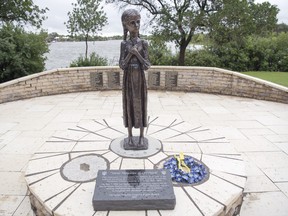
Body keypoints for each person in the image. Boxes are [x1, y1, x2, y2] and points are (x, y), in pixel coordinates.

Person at [119, 9, 151, 147]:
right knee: (129, 104)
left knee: (141, 104)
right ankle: (130, 136)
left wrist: (137, 54)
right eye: (132, 23)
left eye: (138, 21)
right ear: (126, 26)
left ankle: (142, 136)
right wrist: (129, 54)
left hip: (140, 79)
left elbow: (147, 65)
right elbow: (122, 65)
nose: (136, 25)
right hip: (128, 80)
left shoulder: (143, 43)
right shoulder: (124, 44)